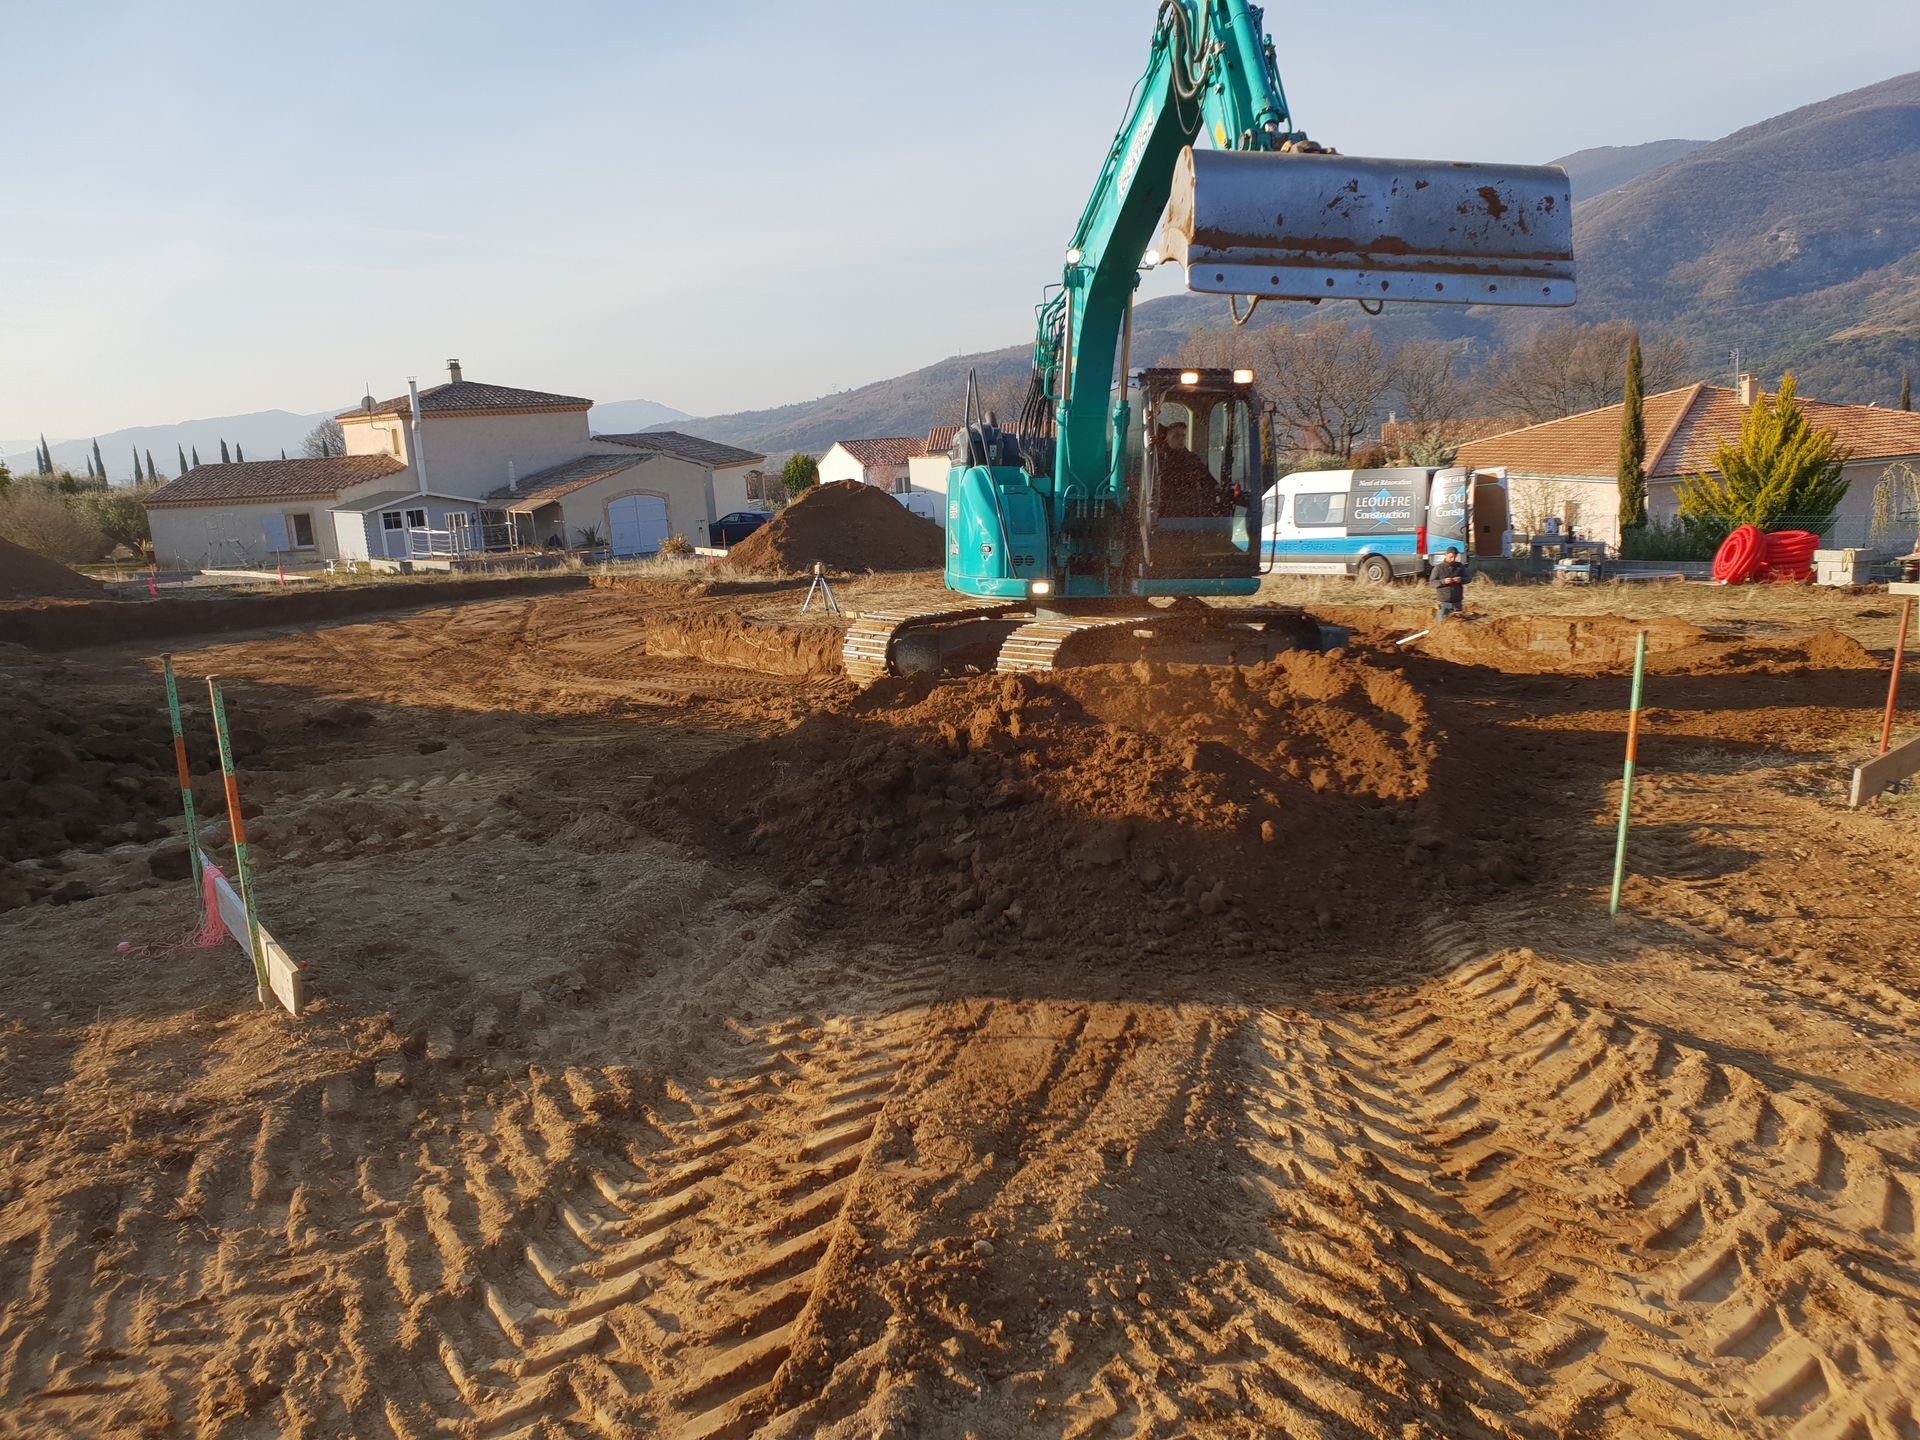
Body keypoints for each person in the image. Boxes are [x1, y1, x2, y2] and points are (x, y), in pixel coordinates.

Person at [1154, 420, 1227, 517]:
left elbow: (1208, 481)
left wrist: (1220, 491)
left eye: (1183, 435)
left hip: (1190, 512)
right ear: (1166, 439)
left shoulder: (1192, 460)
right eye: (1176, 436)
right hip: (1165, 513)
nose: (1180, 439)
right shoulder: (1157, 459)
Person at [1431, 545, 1469, 620]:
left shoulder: (1460, 566)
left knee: (1458, 623)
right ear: (1445, 555)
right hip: (1443, 602)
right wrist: (1443, 581)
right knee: (1441, 623)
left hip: (1457, 602)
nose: (1453, 559)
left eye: (1455, 557)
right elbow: (1432, 582)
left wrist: (1461, 579)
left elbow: (1468, 579)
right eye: (1451, 557)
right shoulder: (1438, 568)